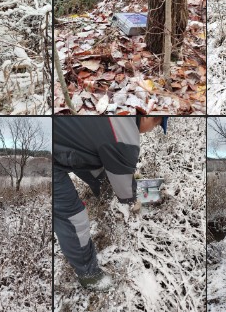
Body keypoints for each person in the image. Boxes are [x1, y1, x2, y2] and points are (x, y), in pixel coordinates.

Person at [54, 116, 168, 291]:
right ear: (146, 116)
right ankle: (89, 275)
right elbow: (126, 193)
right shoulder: (126, 138)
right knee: (74, 217)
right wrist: (153, 194)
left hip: (63, 140)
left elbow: (110, 162)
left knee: (101, 171)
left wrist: (125, 177)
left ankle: (104, 197)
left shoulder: (119, 112)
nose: (153, 129)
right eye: (156, 123)